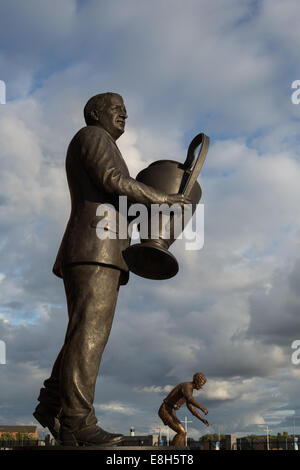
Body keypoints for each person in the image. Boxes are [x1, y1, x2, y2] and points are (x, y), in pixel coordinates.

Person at [33, 92, 190, 447]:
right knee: (90, 336)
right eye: (117, 109)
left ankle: (52, 405)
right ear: (95, 113)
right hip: (95, 248)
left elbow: (116, 190)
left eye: (125, 111)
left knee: (83, 333)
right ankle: (76, 422)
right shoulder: (92, 136)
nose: (125, 115)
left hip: (100, 250)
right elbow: (113, 181)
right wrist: (162, 197)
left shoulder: (102, 141)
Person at [158, 372, 209, 446]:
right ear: (197, 381)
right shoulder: (187, 386)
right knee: (182, 432)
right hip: (165, 410)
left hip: (170, 411)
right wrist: (202, 408)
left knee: (183, 433)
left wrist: (202, 419)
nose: (202, 386)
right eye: (201, 384)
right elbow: (190, 399)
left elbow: (191, 408)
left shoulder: (189, 390)